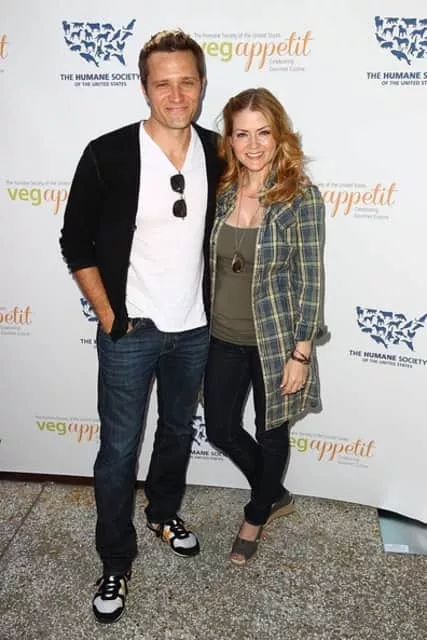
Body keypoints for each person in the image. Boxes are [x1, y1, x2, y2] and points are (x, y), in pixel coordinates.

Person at [60, 30, 223, 623]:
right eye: (163, 84)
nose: (176, 95)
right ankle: (115, 559)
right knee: (118, 449)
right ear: (144, 87)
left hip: (196, 329)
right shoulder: (107, 153)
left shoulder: (219, 152)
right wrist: (110, 316)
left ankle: (162, 512)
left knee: (177, 431)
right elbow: (75, 242)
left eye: (187, 82)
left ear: (202, 86)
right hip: (131, 330)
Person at [204, 88, 325, 566]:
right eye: (242, 134)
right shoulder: (221, 191)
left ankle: (256, 514)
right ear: (229, 140)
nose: (253, 145)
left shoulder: (300, 198)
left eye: (263, 133)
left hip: (276, 339)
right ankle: (273, 490)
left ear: (279, 135)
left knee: (270, 431)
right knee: (219, 427)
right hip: (221, 336)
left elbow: (311, 279)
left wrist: (302, 353)